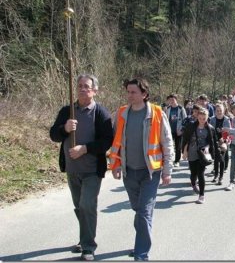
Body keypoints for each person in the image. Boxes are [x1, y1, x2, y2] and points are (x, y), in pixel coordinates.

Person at [109, 78, 174, 261]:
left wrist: (167, 170)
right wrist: (115, 165)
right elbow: (117, 142)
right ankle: (141, 241)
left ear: (144, 94)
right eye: (128, 92)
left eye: (133, 92)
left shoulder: (157, 113)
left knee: (144, 211)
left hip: (150, 172)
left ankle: (141, 254)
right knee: (138, 209)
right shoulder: (121, 113)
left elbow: (167, 143)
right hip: (129, 172)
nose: (129, 95)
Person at [50, 74, 113, 261]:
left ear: (95, 90)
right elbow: (54, 135)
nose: (82, 89)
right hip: (72, 169)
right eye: (79, 86)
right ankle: (84, 237)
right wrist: (65, 129)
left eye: (86, 86)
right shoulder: (66, 111)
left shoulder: (101, 113)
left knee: (87, 205)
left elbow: (106, 141)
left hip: (92, 170)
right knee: (79, 207)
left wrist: (85, 149)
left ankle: (88, 247)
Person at [182, 108, 220, 203]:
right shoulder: (191, 126)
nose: (202, 120)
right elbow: (186, 139)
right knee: (193, 173)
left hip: (203, 153)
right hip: (192, 152)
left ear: (207, 117)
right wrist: (185, 152)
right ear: (197, 117)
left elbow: (212, 142)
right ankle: (193, 184)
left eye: (204, 118)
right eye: (200, 118)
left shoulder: (210, 128)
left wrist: (209, 150)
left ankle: (201, 195)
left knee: (201, 173)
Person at [209, 103, 231, 185]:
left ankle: (221, 177)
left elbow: (228, 131)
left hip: (223, 141)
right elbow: (210, 131)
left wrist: (223, 139)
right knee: (216, 159)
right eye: (217, 110)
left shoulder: (227, 119)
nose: (219, 112)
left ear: (224, 110)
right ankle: (215, 175)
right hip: (214, 141)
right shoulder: (212, 119)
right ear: (215, 111)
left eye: (220, 110)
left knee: (221, 159)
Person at [166, 94, 187, 168]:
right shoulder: (168, 108)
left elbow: (185, 120)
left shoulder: (181, 108)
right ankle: (169, 160)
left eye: (173, 99)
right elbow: (166, 119)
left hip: (178, 131)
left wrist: (182, 130)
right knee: (169, 146)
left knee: (178, 147)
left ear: (176, 99)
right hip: (170, 131)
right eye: (170, 100)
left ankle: (177, 161)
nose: (171, 101)